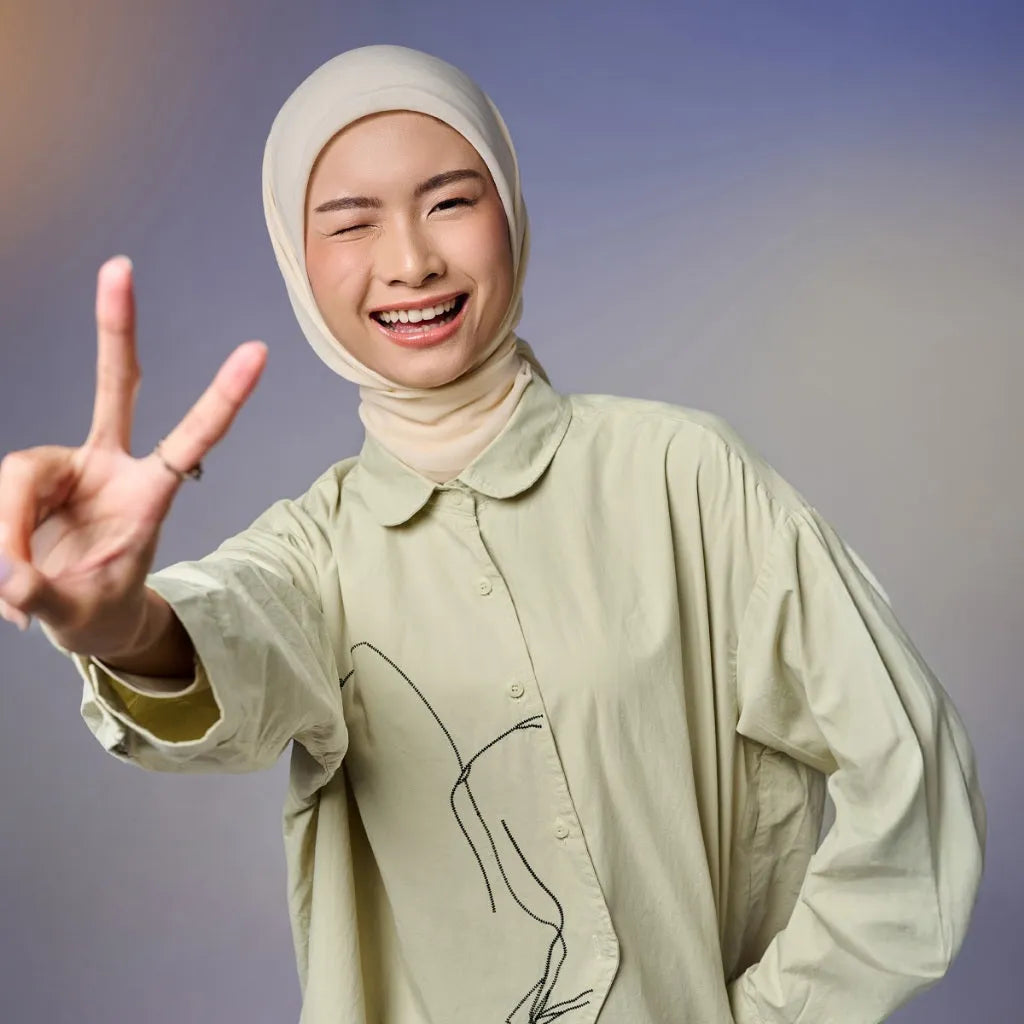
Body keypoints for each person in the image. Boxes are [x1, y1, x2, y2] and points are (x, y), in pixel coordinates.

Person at [0, 44, 985, 1024]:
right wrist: (122, 624)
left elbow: (912, 779)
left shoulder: (687, 476)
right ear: (297, 262)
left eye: (449, 201)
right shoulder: (311, 557)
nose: (411, 261)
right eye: (351, 222)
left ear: (510, 209)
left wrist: (768, 1014)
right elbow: (227, 636)